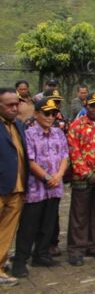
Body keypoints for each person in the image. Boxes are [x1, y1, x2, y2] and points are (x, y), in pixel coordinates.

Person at [11, 99, 70, 278]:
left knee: (48, 223)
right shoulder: (28, 134)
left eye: (53, 113)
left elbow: (65, 155)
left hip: (54, 188)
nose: (50, 117)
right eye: (46, 113)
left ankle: (41, 255)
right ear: (36, 114)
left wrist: (59, 175)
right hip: (36, 188)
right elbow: (30, 161)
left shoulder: (58, 133)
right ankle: (20, 260)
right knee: (29, 226)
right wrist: (47, 177)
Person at [65, 92, 95, 267]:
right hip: (82, 177)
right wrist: (88, 174)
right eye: (92, 105)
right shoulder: (76, 125)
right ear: (87, 106)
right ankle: (76, 249)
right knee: (80, 215)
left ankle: (94, 245)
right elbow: (74, 152)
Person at [0, 87, 28, 286]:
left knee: (6, 232)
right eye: (9, 105)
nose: (14, 108)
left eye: (16, 104)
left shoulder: (18, 125)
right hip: (1, 187)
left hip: (17, 189)